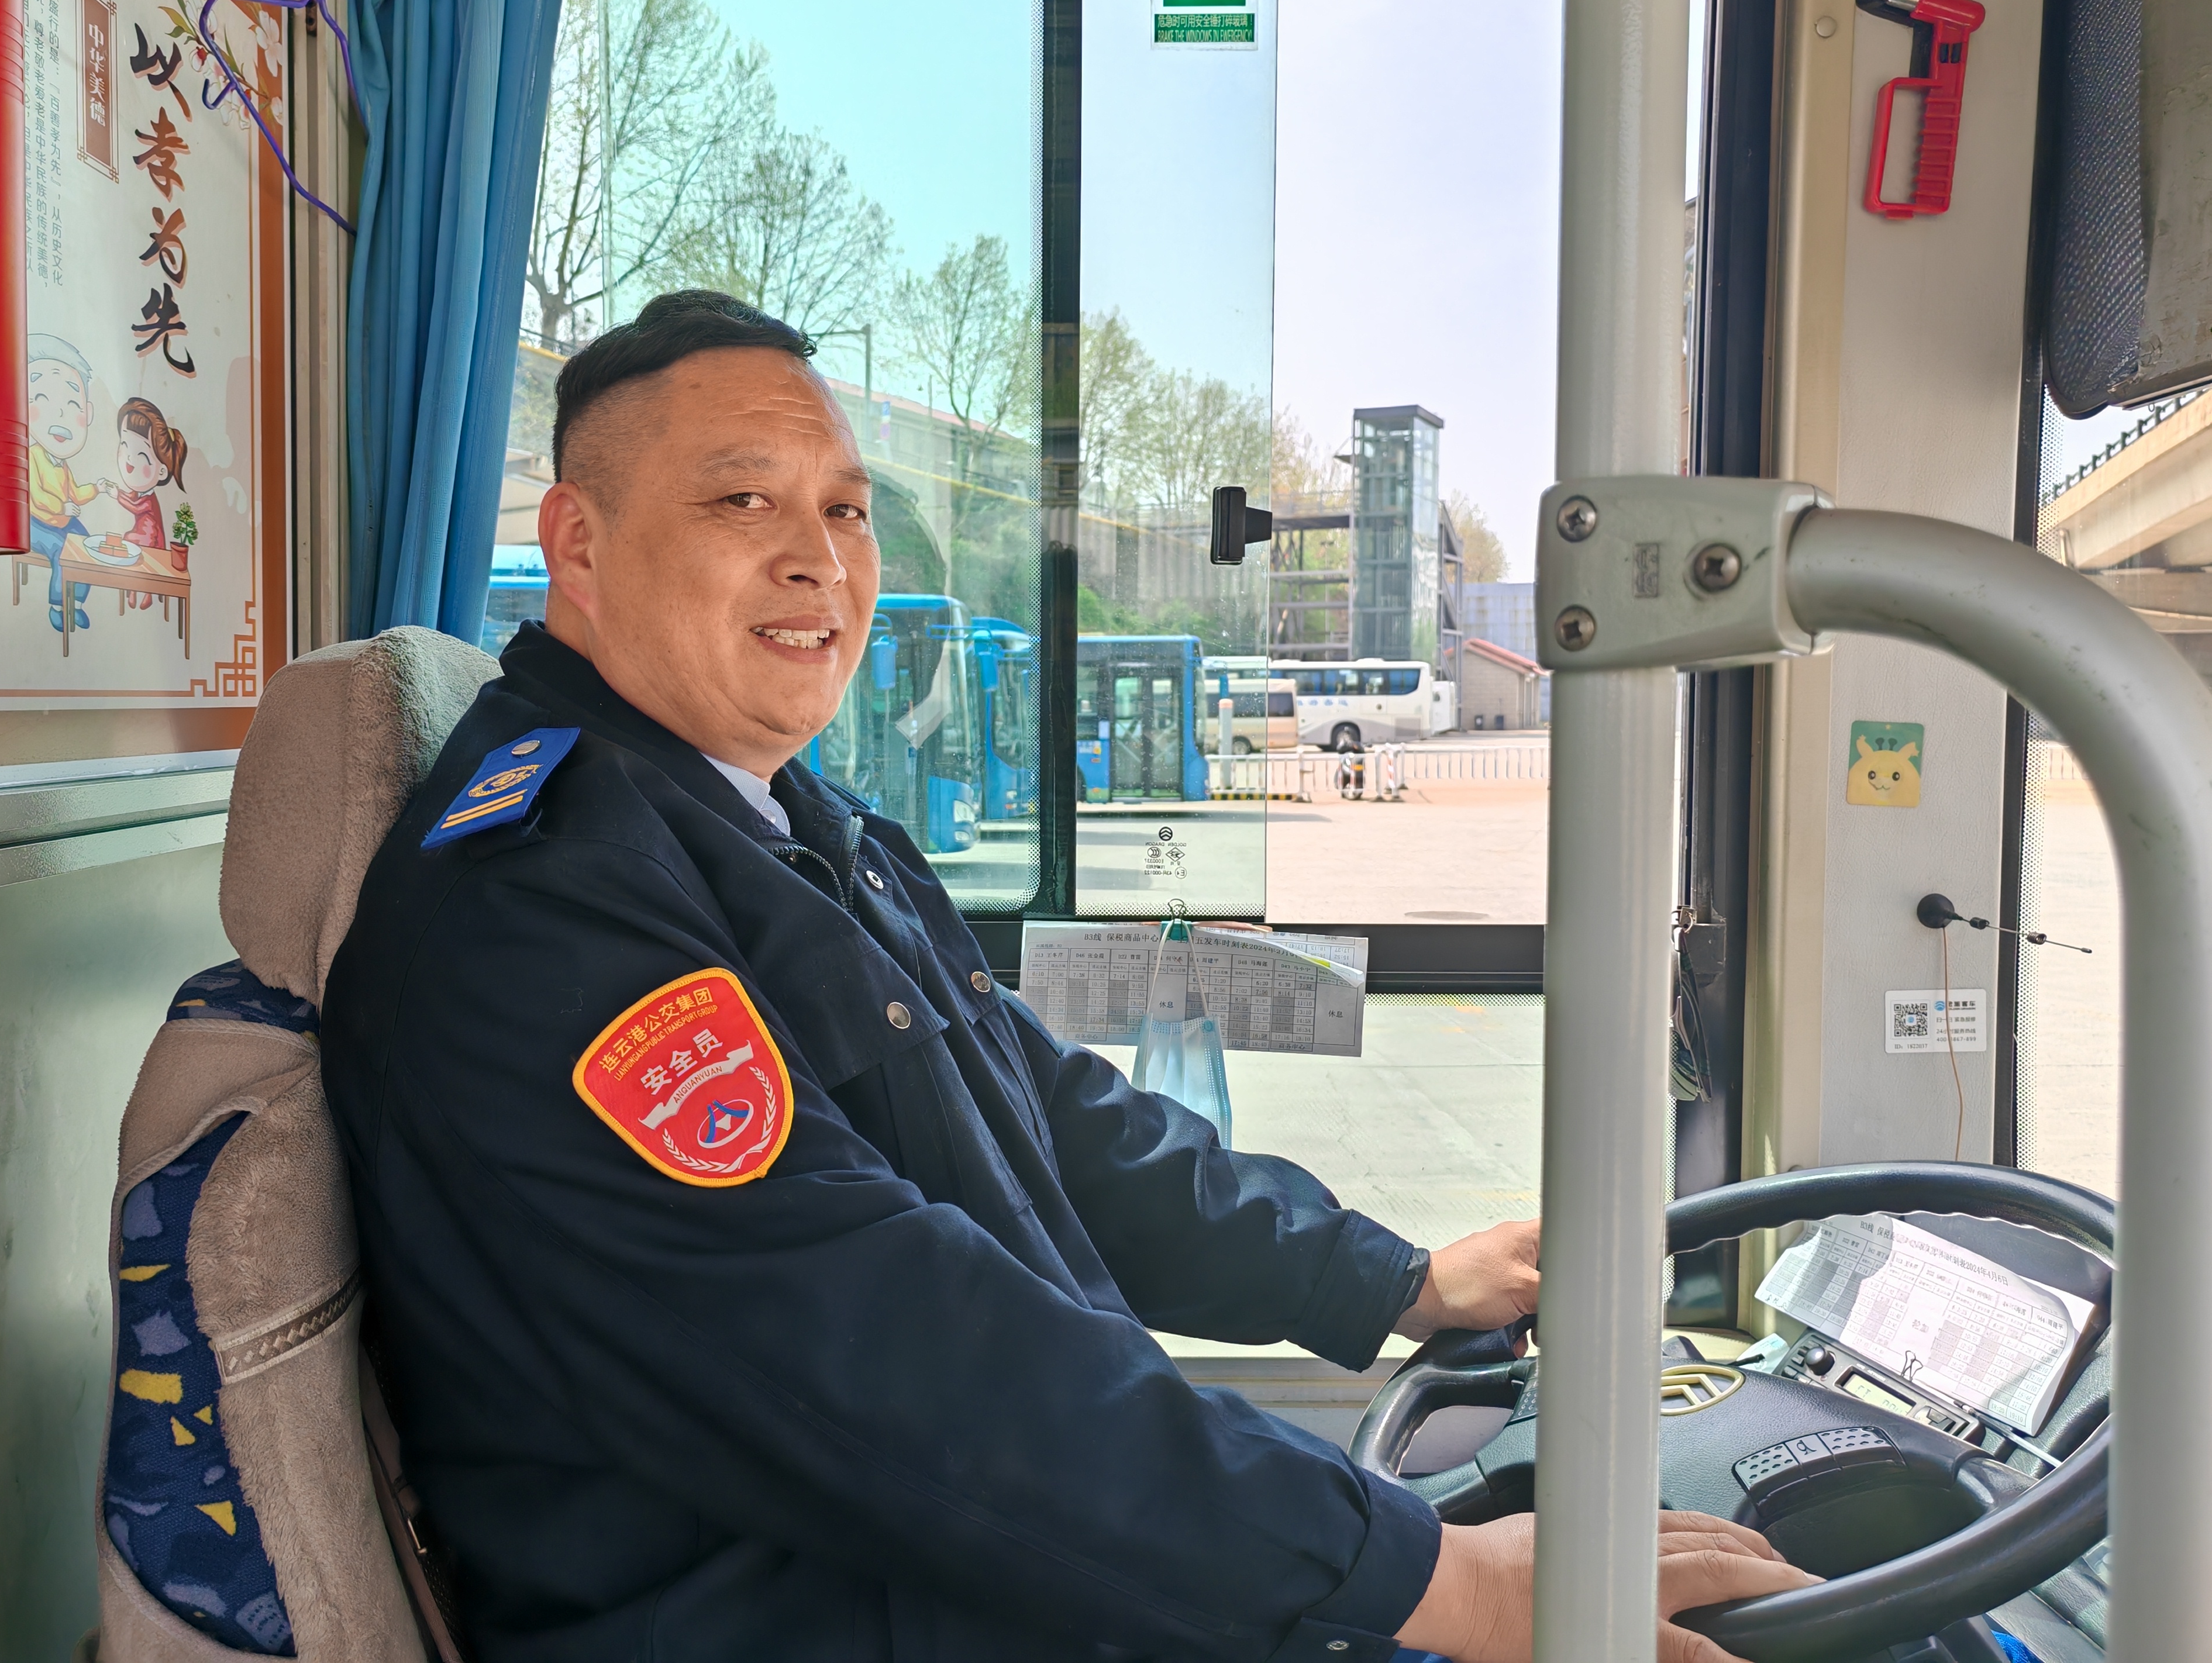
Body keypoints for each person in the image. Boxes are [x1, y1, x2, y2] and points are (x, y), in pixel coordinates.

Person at [321, 290, 1813, 1663]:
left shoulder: (782, 822)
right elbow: (894, 1350)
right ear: (578, 544)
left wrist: (1391, 1280)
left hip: (957, 1569)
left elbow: (1055, 1119)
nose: (818, 557)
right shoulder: (544, 911)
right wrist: (1438, 1580)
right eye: (741, 500)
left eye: (845, 508)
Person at [25, 334, 101, 633]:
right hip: (35, 522)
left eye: (71, 404)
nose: (59, 415)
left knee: (87, 547)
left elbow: (75, 494)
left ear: (87, 412)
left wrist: (97, 489)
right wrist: (62, 507)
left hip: (62, 521)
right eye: (43, 400)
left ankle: (77, 603)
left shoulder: (63, 465)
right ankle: (58, 606)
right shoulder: (32, 455)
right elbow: (35, 494)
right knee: (63, 551)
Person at [99, 397, 186, 609]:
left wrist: (116, 496)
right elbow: (132, 499)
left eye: (141, 455)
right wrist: (117, 491)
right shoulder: (139, 493)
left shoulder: (149, 499)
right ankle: (132, 592)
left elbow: (136, 507)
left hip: (150, 536)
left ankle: (147, 594)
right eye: (124, 445)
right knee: (129, 549)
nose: (130, 460)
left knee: (129, 543)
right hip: (142, 532)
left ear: (162, 471)